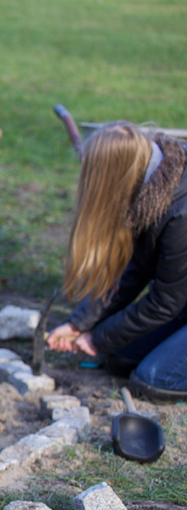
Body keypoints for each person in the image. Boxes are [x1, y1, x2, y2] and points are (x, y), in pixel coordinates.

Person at [47, 121, 187, 402]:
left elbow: (165, 302)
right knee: (120, 357)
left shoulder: (180, 212)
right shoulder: (149, 186)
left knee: (154, 381)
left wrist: (96, 339)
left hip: (177, 297)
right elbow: (135, 269)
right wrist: (81, 324)